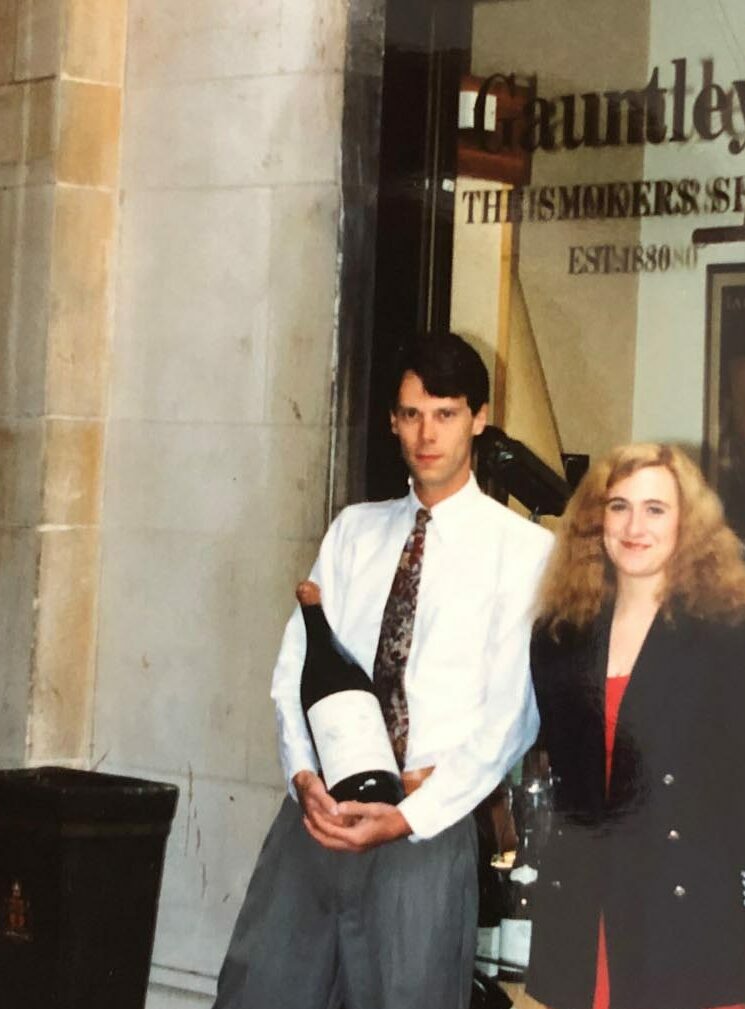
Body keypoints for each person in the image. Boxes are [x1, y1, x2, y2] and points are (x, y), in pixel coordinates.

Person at [214, 332, 553, 1009]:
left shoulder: (523, 552)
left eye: (446, 413)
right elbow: (294, 674)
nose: (426, 434)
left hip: (424, 829)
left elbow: (511, 717)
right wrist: (303, 776)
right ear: (394, 420)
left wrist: (408, 816)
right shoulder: (352, 532)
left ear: (479, 417)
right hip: (316, 822)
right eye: (410, 413)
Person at [526, 443, 745, 1009]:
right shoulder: (559, 634)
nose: (633, 526)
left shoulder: (736, 635)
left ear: (687, 524)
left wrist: (744, 883)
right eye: (618, 506)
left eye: (655, 509)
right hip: (585, 903)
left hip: (683, 907)